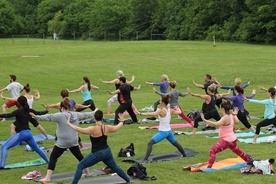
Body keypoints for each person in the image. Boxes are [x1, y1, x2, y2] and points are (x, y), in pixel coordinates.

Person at [30, 97, 96, 181]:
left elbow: (48, 117)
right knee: (80, 157)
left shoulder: (60, 115)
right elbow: (87, 114)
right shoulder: (76, 115)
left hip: (62, 142)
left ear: (62, 107)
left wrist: (36, 117)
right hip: (73, 141)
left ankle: (48, 177)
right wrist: (95, 112)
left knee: (53, 157)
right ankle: (87, 172)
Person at [67, 110, 130, 184]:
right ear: (103, 117)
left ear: (94, 118)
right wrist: (122, 121)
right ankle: (128, 180)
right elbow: (116, 127)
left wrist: (69, 124)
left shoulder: (93, 129)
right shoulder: (107, 127)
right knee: (115, 167)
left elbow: (80, 130)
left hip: (97, 153)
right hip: (107, 151)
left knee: (80, 166)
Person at [0, 96, 49, 169]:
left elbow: (7, 115)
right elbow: (39, 113)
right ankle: (49, 161)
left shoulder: (18, 111)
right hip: (28, 133)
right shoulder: (29, 110)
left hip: (21, 134)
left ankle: (2, 165)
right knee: (37, 149)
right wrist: (47, 110)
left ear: (18, 103)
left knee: (4, 147)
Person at [200, 101, 252, 168]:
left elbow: (216, 124)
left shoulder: (225, 117)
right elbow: (237, 121)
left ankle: (209, 167)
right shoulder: (231, 115)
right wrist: (235, 114)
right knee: (238, 151)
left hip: (227, 141)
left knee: (212, 150)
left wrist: (204, 119)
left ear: (222, 109)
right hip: (232, 139)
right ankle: (248, 161)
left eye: (220, 107)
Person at [139, 95, 186, 163]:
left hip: (163, 133)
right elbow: (179, 112)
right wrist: (177, 108)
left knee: (150, 143)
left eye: (160, 101)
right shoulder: (170, 110)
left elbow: (151, 113)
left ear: (163, 103)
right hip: (169, 132)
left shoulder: (161, 111)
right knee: (176, 144)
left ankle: (145, 160)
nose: (159, 102)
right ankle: (184, 155)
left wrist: (141, 114)